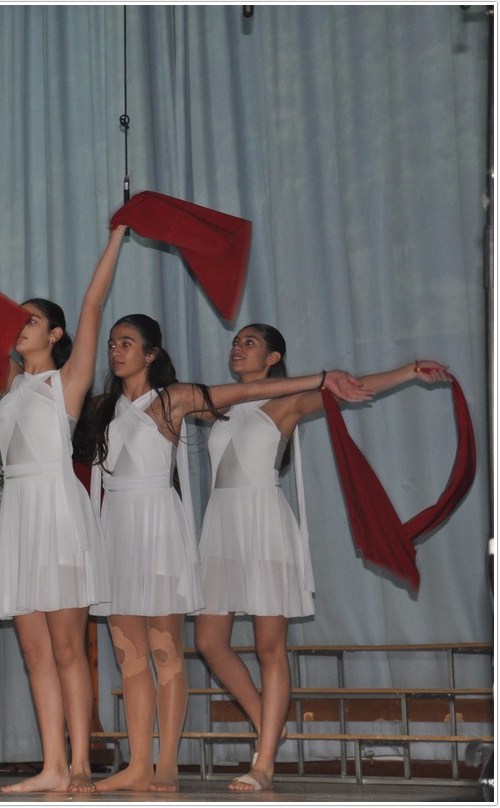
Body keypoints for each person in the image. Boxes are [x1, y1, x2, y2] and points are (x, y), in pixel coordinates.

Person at [72, 313, 370, 793]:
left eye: (126, 342)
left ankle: (167, 764)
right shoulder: (103, 406)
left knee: (166, 650)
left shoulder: (174, 398)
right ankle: (138, 763)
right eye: (112, 343)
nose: (115, 350)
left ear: (151, 354)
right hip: (116, 530)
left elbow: (255, 392)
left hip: (159, 528)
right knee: (129, 655)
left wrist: (321, 378)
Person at [193, 323, 451, 792]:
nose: (238, 347)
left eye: (250, 342)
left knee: (269, 646)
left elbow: (353, 386)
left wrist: (410, 370)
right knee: (210, 641)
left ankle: (264, 763)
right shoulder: (219, 404)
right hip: (220, 528)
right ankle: (268, 722)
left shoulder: (288, 403)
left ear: (273, 358)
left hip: (264, 525)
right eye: (235, 341)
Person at [0, 226, 127, 793]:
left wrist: (117, 235)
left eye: (32, 320)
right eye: (16, 321)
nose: (20, 327)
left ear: (55, 333)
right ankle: (51, 765)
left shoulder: (66, 382)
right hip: (20, 514)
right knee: (34, 650)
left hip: (59, 512)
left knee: (69, 648)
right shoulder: (8, 385)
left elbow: (93, 303)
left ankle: (81, 763)